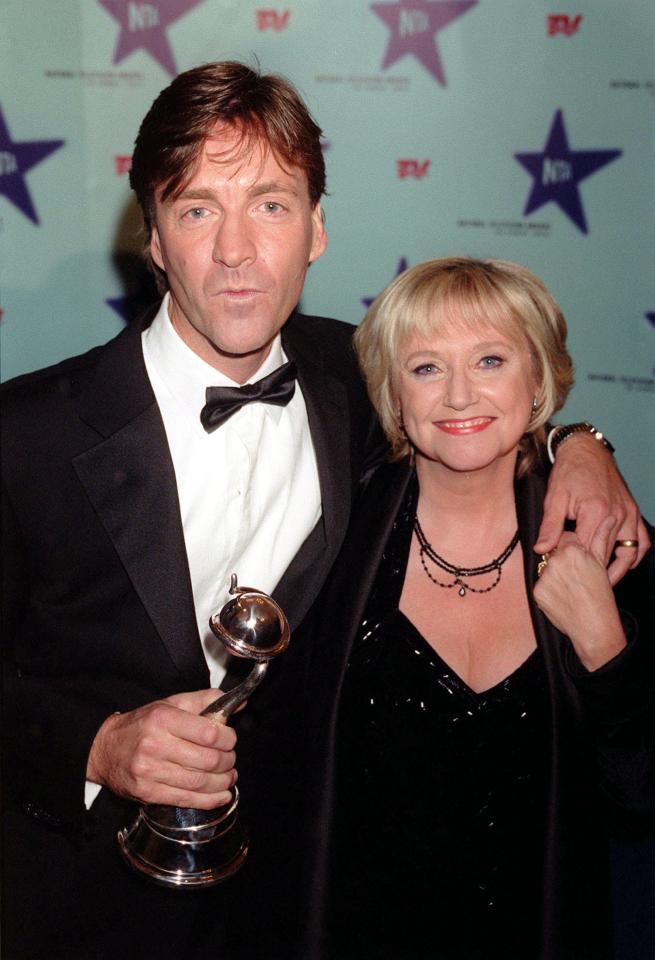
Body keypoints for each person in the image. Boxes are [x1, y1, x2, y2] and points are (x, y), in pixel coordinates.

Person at [0, 58, 646, 957]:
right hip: (91, 911)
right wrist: (97, 744)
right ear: (152, 239)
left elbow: (477, 408)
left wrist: (583, 446)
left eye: (269, 204)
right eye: (196, 210)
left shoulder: (359, 378)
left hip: (305, 900)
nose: (235, 251)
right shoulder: (24, 434)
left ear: (316, 229)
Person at [235, 258, 655, 960]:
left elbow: (638, 801)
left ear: (539, 381)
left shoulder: (616, 547)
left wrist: (603, 649)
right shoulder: (326, 536)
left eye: (490, 359)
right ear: (392, 394)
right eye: (426, 367)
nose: (460, 395)